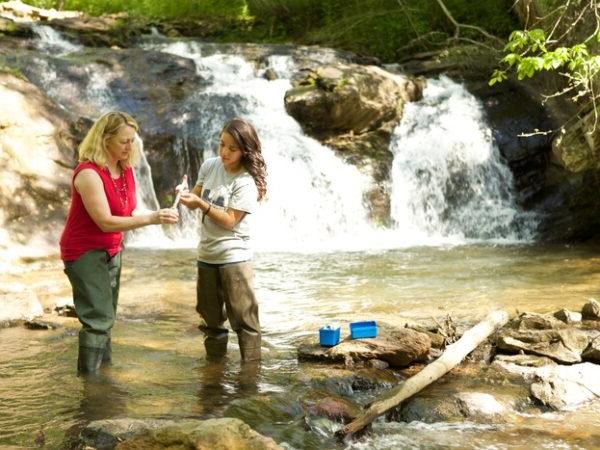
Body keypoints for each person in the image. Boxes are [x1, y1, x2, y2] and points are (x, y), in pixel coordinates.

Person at [60, 111, 179, 374]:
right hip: (83, 251)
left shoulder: (125, 169)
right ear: (104, 139)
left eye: (132, 140)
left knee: (106, 318)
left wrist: (160, 216)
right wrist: (151, 218)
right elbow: (105, 221)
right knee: (98, 319)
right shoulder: (88, 174)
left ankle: (104, 376)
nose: (130, 146)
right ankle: (90, 385)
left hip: (113, 249)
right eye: (124, 141)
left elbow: (130, 211)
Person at [179, 118, 267, 363]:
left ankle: (250, 381)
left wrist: (200, 204)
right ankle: (214, 375)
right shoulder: (209, 166)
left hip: (234, 258)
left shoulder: (246, 181)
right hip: (206, 256)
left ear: (245, 151)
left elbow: (229, 221)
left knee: (245, 323)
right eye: (222, 145)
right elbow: (193, 198)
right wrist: (183, 194)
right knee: (211, 322)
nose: (225, 152)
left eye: (232, 148)